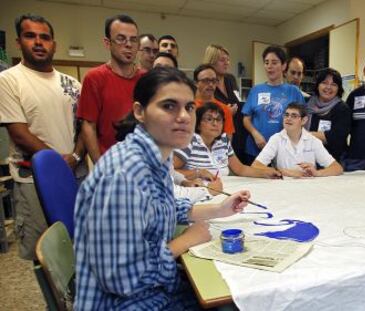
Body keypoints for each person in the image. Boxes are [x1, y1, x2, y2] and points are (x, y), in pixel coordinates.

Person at [74, 67, 250, 310]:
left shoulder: (158, 154)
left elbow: (162, 207)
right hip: (127, 303)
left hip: (155, 290)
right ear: (139, 111)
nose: (184, 117)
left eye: (189, 107)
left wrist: (219, 210)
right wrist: (187, 240)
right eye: (169, 106)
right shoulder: (124, 174)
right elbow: (121, 278)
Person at [0, 14, 87, 260]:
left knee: (80, 242)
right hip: (34, 181)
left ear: (54, 44)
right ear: (19, 42)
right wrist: (59, 164)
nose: (38, 42)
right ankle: (53, 300)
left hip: (77, 174)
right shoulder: (8, 80)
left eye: (45, 37)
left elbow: (84, 128)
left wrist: (76, 155)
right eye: (30, 36)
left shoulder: (73, 84)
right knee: (47, 252)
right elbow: (19, 132)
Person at [77, 15, 144, 163]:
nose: (128, 45)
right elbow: (88, 126)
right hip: (111, 163)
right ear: (107, 43)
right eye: (121, 39)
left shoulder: (146, 79)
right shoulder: (94, 78)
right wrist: (100, 167)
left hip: (142, 163)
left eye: (133, 40)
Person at [174, 102, 281, 180]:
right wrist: (197, 173)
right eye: (209, 119)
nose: (215, 123)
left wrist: (265, 173)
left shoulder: (223, 140)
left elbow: (240, 169)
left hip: (224, 189)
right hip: (197, 191)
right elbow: (170, 173)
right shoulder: (189, 141)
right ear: (198, 124)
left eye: (219, 119)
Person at [242, 45, 305, 165]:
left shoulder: (293, 91)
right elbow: (246, 119)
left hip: (284, 151)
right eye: (266, 62)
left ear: (283, 66)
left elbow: (303, 120)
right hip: (255, 150)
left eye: (274, 62)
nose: (269, 66)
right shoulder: (256, 90)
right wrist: (255, 134)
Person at [252, 103, 343, 178]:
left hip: (309, 186)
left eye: (294, 116)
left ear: (304, 120)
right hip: (283, 187)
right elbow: (256, 166)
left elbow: (337, 168)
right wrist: (283, 171)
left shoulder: (313, 141)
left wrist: (317, 173)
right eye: (286, 115)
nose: (288, 118)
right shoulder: (276, 139)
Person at [306, 68, 351, 161]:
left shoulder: (342, 109)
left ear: (338, 88)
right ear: (318, 85)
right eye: (324, 83)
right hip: (309, 159)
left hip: (333, 161)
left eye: (333, 84)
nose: (328, 87)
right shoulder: (308, 105)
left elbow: (336, 137)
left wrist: (305, 135)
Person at [194, 64, 235, 137]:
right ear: (196, 83)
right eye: (206, 80)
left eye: (214, 80)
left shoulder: (224, 109)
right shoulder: (188, 107)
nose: (210, 84)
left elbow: (227, 142)